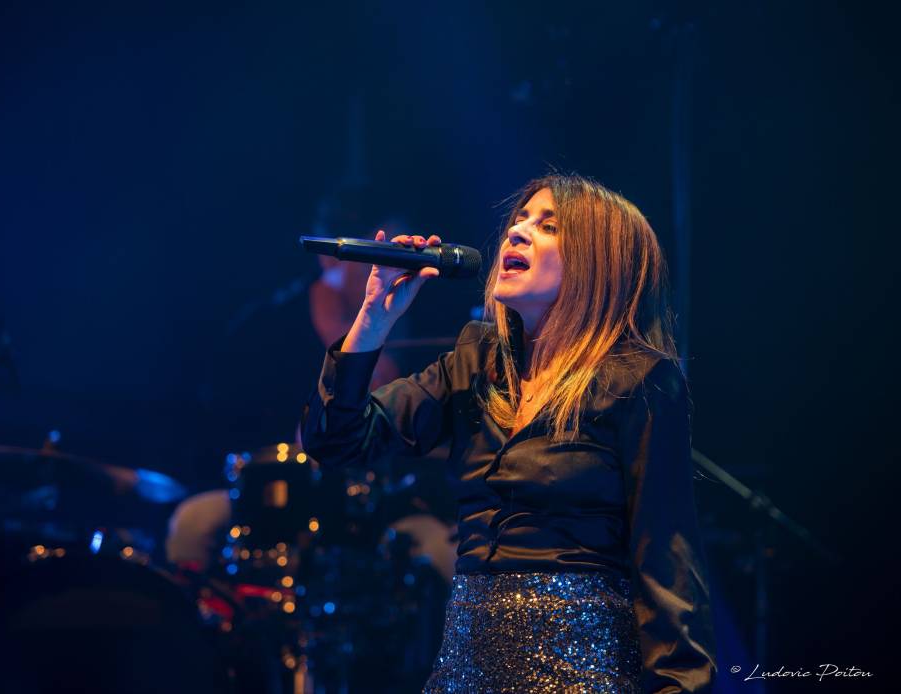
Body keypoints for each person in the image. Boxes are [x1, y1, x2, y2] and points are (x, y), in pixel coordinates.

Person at [300, 174, 718, 692]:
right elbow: (336, 441)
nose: (517, 232)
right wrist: (372, 321)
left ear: (598, 262)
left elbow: (666, 557)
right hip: (465, 671)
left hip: (580, 672)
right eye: (519, 220)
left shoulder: (638, 380)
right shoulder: (476, 361)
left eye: (548, 226)